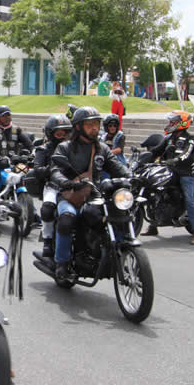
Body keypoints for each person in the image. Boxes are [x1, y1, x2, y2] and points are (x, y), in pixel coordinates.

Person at [49, 106, 131, 281]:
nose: (94, 128)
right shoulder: (65, 147)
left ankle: (115, 251)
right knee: (67, 219)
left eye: (96, 124)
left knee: (119, 213)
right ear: (78, 127)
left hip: (96, 194)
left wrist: (132, 177)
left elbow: (118, 167)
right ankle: (61, 263)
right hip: (71, 194)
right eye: (89, 124)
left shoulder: (102, 148)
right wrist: (66, 182)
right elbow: (55, 171)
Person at [142, 110, 194, 245]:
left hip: (185, 174)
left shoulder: (190, 138)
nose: (169, 124)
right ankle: (153, 225)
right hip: (169, 171)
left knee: (189, 200)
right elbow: (156, 150)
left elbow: (186, 154)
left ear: (181, 123)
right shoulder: (170, 138)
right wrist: (142, 158)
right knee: (154, 192)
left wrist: (174, 160)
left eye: (172, 122)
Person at [32, 115, 73, 266]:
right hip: (53, 186)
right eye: (59, 134)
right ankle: (48, 241)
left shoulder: (74, 148)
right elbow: (37, 170)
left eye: (66, 133)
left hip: (74, 186)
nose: (63, 137)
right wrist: (52, 168)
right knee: (48, 208)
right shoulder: (43, 149)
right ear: (51, 134)